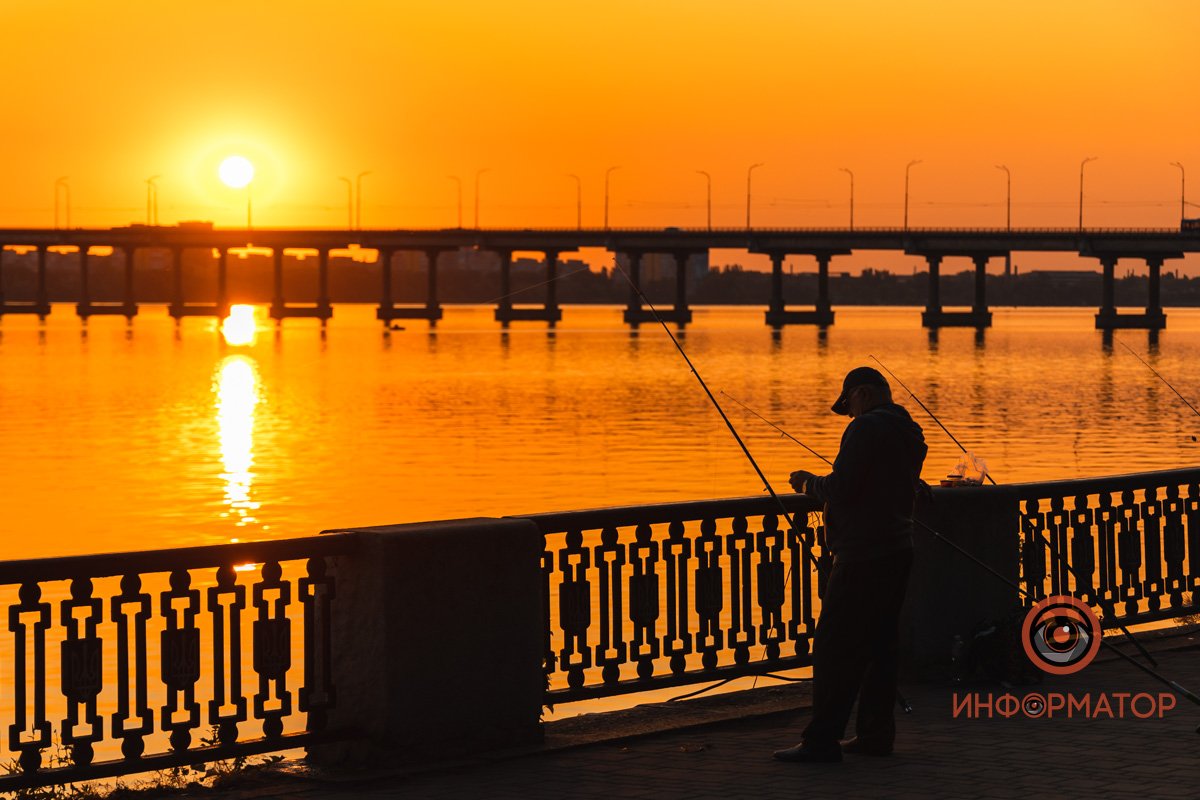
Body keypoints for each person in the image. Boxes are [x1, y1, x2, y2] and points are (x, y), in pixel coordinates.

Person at [773, 365, 927, 764]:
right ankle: (875, 735)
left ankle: (821, 740)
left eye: (851, 405)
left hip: (862, 554)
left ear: (861, 394)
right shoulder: (911, 431)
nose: (851, 414)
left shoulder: (865, 429)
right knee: (880, 648)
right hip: (898, 549)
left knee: (833, 648)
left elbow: (840, 489)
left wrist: (808, 483)